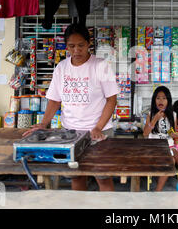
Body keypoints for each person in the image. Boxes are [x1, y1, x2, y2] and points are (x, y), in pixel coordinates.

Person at [22, 23, 120, 191]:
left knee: (102, 177)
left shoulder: (100, 65)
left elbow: (112, 100)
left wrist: (98, 127)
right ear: (66, 45)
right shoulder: (61, 67)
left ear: (89, 43)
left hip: (99, 132)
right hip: (70, 133)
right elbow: (54, 100)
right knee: (76, 176)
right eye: (71, 46)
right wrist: (43, 124)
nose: (76, 50)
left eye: (81, 45)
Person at [143, 86, 178, 191]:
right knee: (172, 160)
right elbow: (145, 133)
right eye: (158, 98)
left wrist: (174, 134)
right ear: (154, 100)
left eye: (164, 98)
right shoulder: (150, 115)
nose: (161, 101)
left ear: (168, 101)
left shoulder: (173, 115)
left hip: (169, 145)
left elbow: (170, 131)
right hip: (155, 146)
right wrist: (155, 119)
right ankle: (158, 190)